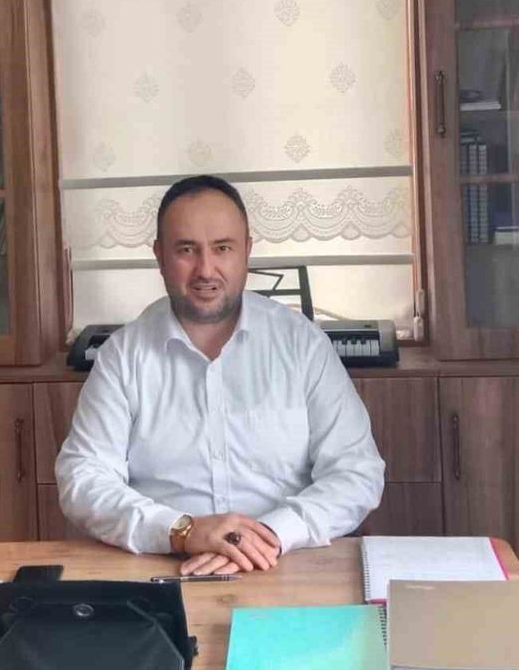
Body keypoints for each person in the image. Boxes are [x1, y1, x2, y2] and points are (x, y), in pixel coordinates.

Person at [55, 175, 385, 575]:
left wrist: (267, 535)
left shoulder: (302, 344)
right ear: (159, 256)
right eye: (186, 250)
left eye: (222, 248)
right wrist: (182, 531)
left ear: (247, 250)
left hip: (286, 564)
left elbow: (357, 472)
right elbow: (83, 479)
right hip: (164, 568)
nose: (205, 270)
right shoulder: (123, 355)